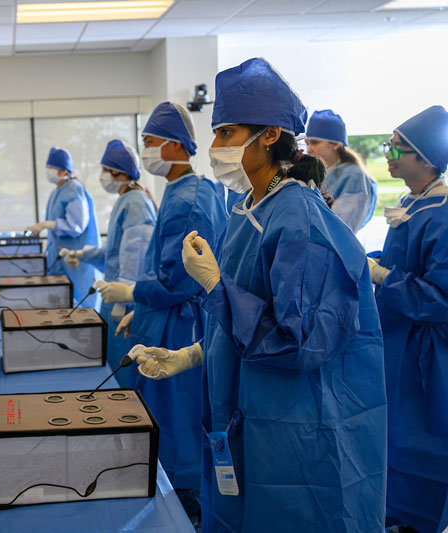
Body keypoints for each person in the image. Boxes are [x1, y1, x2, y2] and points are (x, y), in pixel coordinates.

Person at [136, 58, 387, 532]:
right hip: (251, 410)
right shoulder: (249, 207)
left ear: (270, 134)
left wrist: (213, 285)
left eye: (226, 133)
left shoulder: (299, 219)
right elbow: (254, 313)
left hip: (297, 427)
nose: (214, 147)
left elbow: (299, 343)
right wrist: (194, 353)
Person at [100, 101, 228, 521]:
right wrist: (143, 308)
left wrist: (134, 291)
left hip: (181, 325)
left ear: (175, 145)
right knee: (168, 416)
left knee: (176, 421)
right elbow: (167, 268)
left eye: (150, 141)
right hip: (169, 317)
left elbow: (180, 282)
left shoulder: (189, 200)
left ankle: (182, 511)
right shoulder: (184, 191)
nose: (146, 149)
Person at [369, 105, 448, 533]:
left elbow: (440, 297)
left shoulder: (443, 215)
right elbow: (406, 263)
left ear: (427, 160)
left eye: (397, 150)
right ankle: (396, 518)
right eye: (389, 147)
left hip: (427, 353)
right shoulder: (412, 204)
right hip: (398, 341)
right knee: (393, 440)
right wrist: (373, 262)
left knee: (423, 442)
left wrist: (384, 276)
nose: (389, 156)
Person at [62, 139, 157, 386]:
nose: (102, 175)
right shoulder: (125, 200)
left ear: (120, 173)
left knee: (128, 373)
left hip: (125, 303)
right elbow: (114, 251)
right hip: (115, 296)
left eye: (106, 170)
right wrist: (83, 254)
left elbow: (135, 258)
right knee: (116, 367)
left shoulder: (136, 203)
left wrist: (122, 298)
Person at [27, 147, 100, 308]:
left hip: (75, 260)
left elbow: (76, 226)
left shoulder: (74, 189)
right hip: (59, 257)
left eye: (51, 168)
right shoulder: (57, 192)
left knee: (81, 307)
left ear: (64, 170)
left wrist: (47, 224)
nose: (48, 171)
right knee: (61, 304)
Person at [305, 109, 377, 231]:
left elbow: (341, 227)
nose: (309, 149)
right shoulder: (321, 173)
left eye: (315, 142)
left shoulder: (353, 176)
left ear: (336, 144)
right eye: (307, 143)